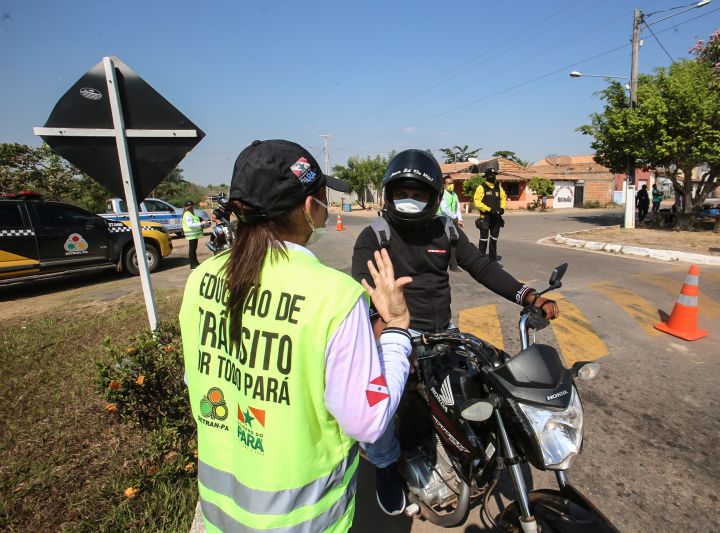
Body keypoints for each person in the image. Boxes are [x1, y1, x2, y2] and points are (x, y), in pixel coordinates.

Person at [180, 140, 413, 533]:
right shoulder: (333, 296)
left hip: (220, 515)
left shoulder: (202, 278)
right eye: (323, 198)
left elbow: (198, 378)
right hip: (303, 520)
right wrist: (395, 330)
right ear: (310, 208)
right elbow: (367, 422)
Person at [351, 149, 559, 516]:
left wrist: (527, 295)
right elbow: (360, 291)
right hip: (396, 334)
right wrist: (383, 332)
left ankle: (455, 454)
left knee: (465, 392)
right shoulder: (375, 235)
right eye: (403, 193)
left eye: (419, 194)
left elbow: (481, 266)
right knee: (382, 406)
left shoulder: (446, 229)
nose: (411, 201)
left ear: (433, 198)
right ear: (389, 194)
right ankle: (385, 465)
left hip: (443, 332)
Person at [473, 168, 507, 262]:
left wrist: (502, 208)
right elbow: (477, 202)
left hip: (496, 218)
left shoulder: (498, 187)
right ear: (487, 176)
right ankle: (481, 260)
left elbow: (503, 197)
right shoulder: (481, 187)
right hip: (485, 217)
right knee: (483, 239)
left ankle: (493, 260)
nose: (494, 177)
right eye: (492, 175)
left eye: (495, 175)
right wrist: (489, 209)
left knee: (494, 239)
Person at [437, 174, 464, 272]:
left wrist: (459, 219)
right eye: (449, 183)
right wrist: (455, 217)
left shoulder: (454, 194)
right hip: (441, 218)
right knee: (449, 240)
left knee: (453, 241)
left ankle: (453, 264)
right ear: (444, 185)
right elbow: (444, 209)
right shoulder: (442, 194)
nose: (452, 185)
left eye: (452, 183)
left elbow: (457, 208)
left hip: (451, 220)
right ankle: (448, 264)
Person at [182, 200, 203, 268]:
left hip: (194, 234)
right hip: (192, 234)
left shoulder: (191, 213)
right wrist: (201, 223)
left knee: (193, 249)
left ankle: (195, 262)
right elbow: (190, 225)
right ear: (189, 207)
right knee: (192, 249)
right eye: (192, 206)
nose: (194, 207)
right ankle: (193, 264)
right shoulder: (187, 214)